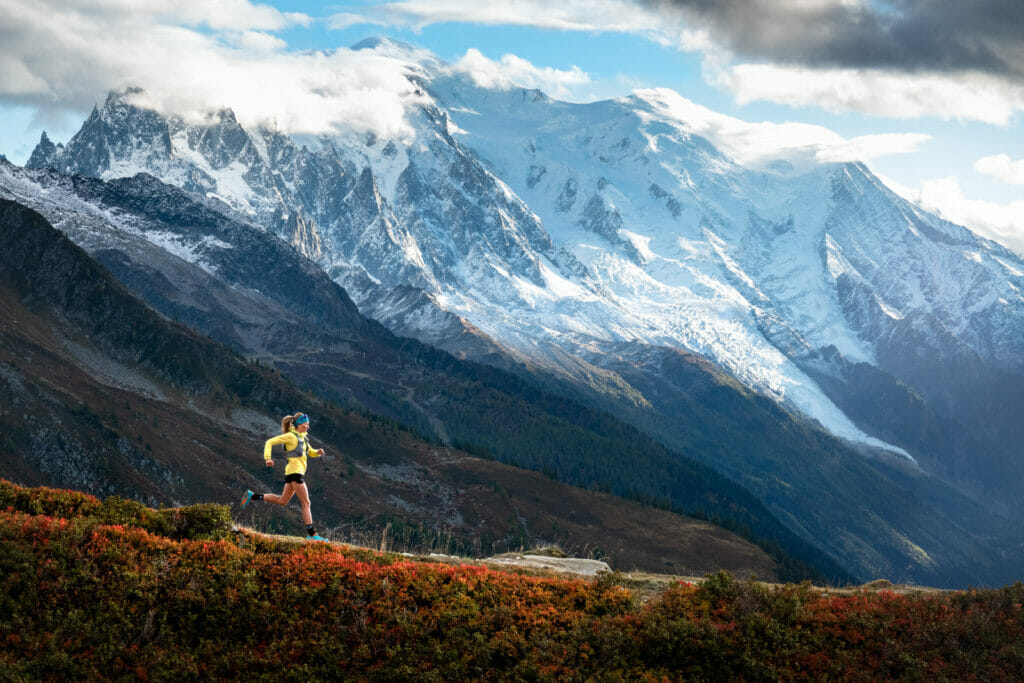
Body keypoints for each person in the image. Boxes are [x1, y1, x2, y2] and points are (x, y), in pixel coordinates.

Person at [241, 412, 328, 542]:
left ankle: (252, 496)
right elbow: (269, 442)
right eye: (305, 423)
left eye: (308, 424)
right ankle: (312, 535)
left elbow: (310, 452)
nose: (308, 426)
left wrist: (317, 452)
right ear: (298, 424)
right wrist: (268, 458)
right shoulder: (290, 436)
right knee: (306, 503)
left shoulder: (304, 438)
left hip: (292, 473)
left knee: (282, 501)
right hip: (295, 473)